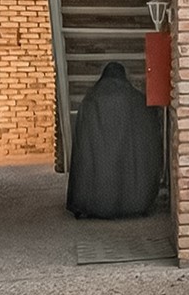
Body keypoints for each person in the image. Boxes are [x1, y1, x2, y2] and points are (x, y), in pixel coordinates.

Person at [65, 61, 162, 219]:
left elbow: (83, 140)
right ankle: (132, 204)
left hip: (99, 159)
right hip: (135, 193)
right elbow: (149, 127)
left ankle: (97, 204)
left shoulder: (91, 99)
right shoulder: (136, 100)